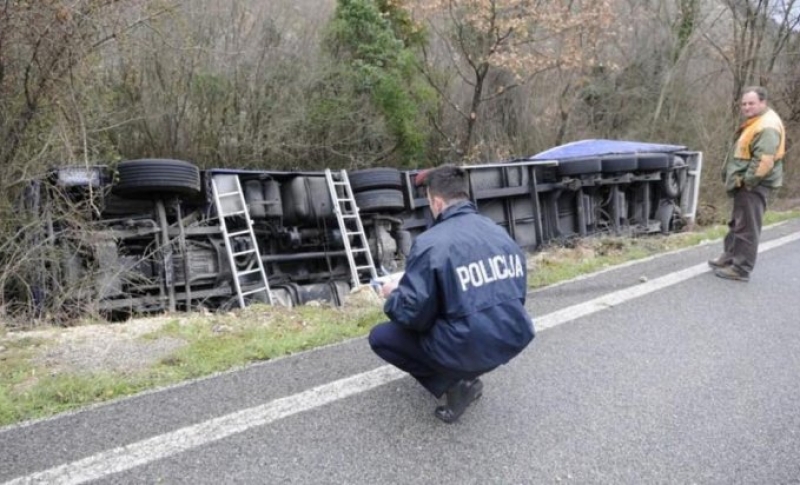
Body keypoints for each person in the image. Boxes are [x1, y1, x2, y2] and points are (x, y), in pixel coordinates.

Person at [368, 164, 535, 423]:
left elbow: (411, 316)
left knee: (381, 337)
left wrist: (394, 294)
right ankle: (465, 375)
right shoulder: (500, 233)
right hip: (510, 339)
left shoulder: (430, 243)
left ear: (435, 201)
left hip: (470, 350)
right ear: (463, 195)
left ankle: (456, 384)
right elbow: (517, 294)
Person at [710, 86, 786, 282]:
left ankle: (741, 268)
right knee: (738, 222)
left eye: (751, 103)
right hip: (744, 184)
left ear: (763, 102)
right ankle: (730, 257)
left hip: (753, 185)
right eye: (744, 103)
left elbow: (765, 161)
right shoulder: (757, 122)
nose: (746, 107)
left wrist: (747, 181)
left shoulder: (767, 126)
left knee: (748, 227)